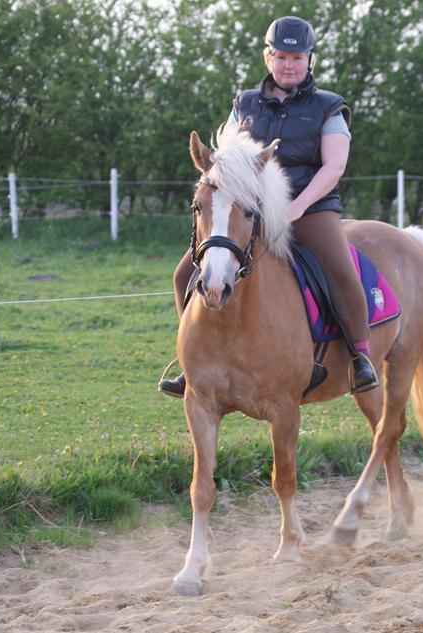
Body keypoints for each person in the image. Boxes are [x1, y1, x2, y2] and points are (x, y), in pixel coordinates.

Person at [160, 15, 378, 398]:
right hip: (250, 210)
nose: (288, 64)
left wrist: (300, 205)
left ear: (310, 59)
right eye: (281, 56)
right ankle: (191, 362)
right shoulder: (244, 103)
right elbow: (226, 155)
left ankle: (360, 357)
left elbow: (334, 166)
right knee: (184, 274)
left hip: (308, 207)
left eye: (297, 56)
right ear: (268, 58)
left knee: (341, 270)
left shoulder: (328, 106)